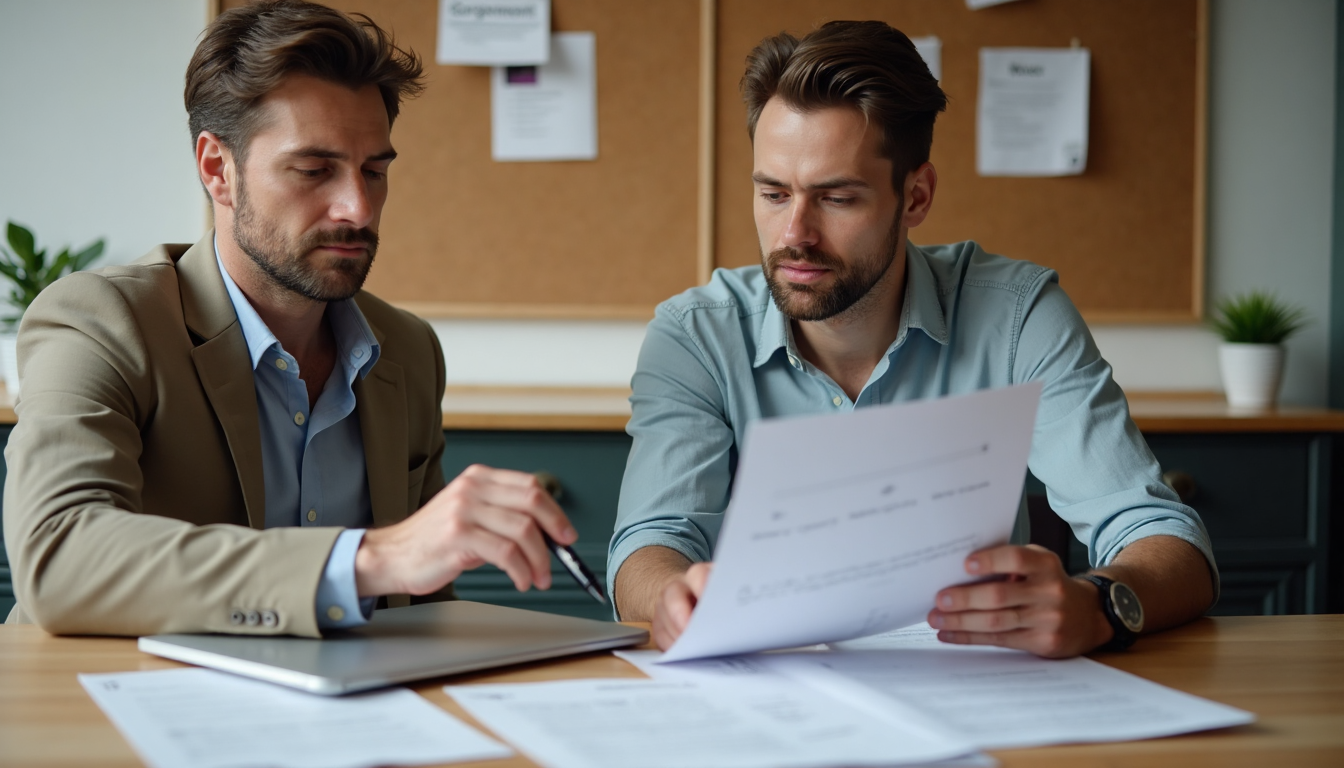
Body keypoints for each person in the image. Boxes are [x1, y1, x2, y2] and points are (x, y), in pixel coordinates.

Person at [609, 20, 1217, 657]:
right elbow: (650, 542)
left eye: (837, 198)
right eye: (773, 193)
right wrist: (672, 599)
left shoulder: (1018, 315)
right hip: (772, 698)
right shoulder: (695, 335)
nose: (795, 233)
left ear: (916, 196)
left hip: (976, 695)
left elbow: (1161, 533)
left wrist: (1099, 604)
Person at [3, 0, 576, 637]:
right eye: (314, 170)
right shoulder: (100, 321)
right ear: (217, 169)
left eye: (375, 170)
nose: (358, 207)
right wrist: (368, 559)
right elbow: (57, 556)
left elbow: (422, 612)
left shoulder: (409, 350)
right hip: (114, 714)